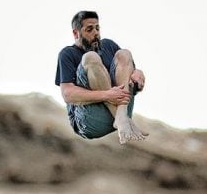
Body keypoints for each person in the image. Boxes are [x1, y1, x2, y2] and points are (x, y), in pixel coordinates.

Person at [55, 10, 148, 145]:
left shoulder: (109, 45)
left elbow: (128, 76)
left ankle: (121, 117)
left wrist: (137, 73)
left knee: (124, 53)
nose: (96, 32)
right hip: (90, 121)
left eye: (97, 28)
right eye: (89, 29)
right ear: (76, 33)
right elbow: (68, 94)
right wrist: (107, 95)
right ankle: (120, 118)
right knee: (90, 57)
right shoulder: (67, 54)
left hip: (122, 109)